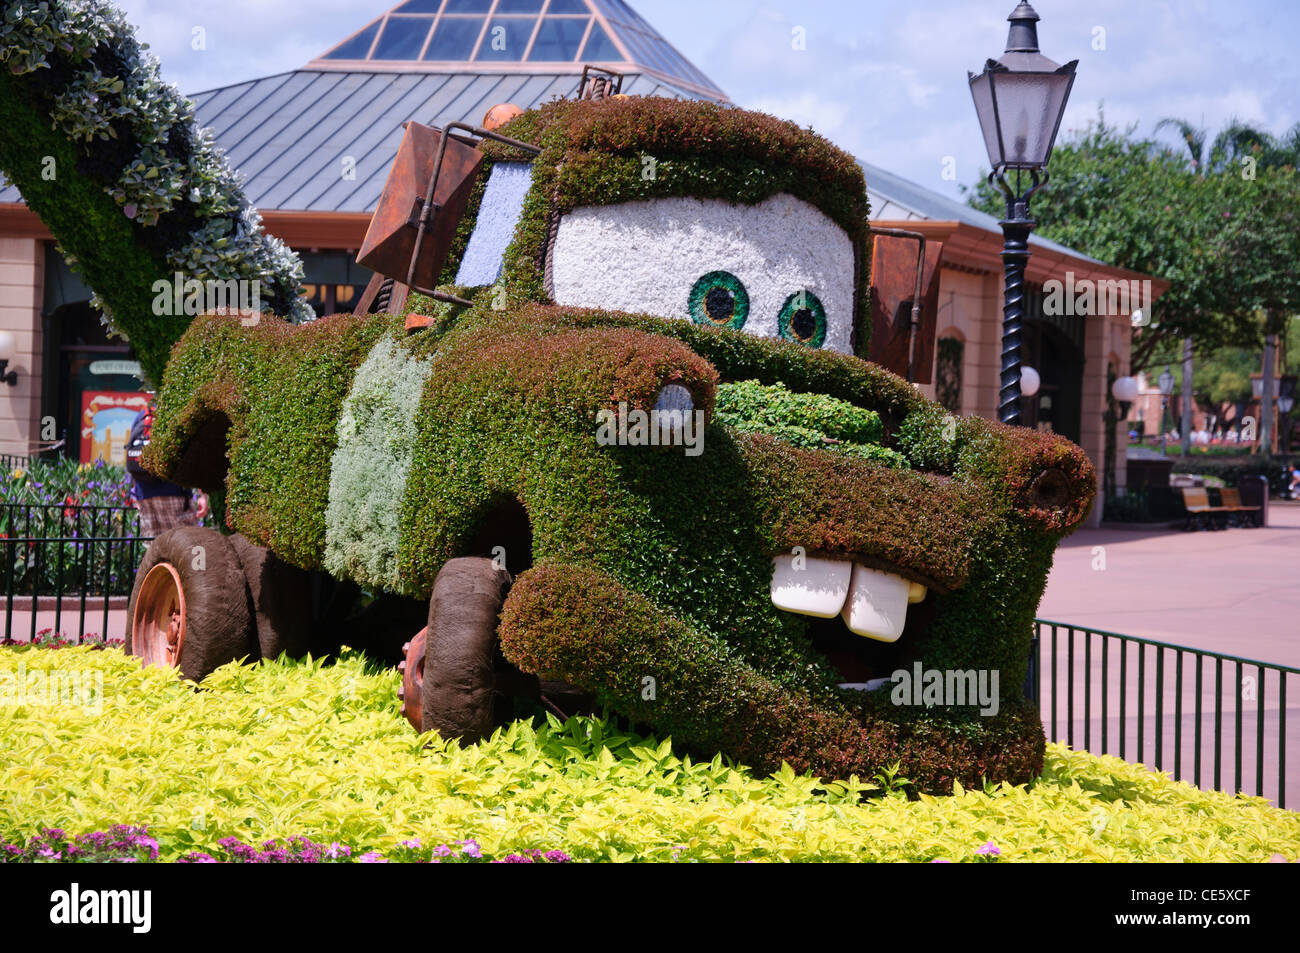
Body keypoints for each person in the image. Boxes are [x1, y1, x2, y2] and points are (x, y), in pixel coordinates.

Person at [125, 398, 209, 537]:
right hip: (174, 493)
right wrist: (203, 494)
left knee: (155, 551)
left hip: (144, 496)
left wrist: (135, 495)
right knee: (189, 549)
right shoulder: (177, 414)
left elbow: (134, 456)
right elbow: (193, 457)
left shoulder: (144, 415)